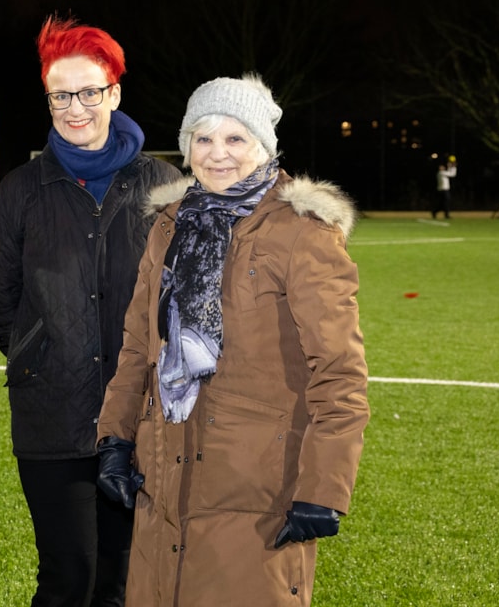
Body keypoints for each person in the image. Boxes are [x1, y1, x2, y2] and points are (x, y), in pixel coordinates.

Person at [95, 74, 369, 607]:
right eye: (203, 138)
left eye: (235, 138)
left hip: (256, 487)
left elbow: (339, 372)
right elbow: (137, 348)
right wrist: (116, 439)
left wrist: (323, 489)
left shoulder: (302, 233)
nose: (217, 154)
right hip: (164, 474)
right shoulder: (169, 226)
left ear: (264, 146)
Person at [0, 17, 182, 607]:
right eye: (61, 94)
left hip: (142, 419)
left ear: (114, 93)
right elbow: (1, 299)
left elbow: (180, 296)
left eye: (89, 91)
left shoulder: (162, 184)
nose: (75, 107)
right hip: (53, 416)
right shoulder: (20, 190)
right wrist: (39, 352)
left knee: (120, 581)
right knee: (69, 577)